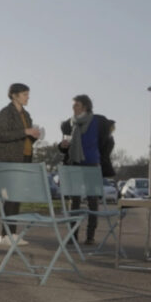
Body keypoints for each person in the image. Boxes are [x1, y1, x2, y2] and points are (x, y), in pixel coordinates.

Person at [58, 94, 116, 245]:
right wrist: (62, 146)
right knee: (74, 201)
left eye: (76, 105)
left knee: (92, 201)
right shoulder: (68, 124)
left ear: (85, 106)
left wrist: (102, 157)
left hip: (92, 165)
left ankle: (90, 236)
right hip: (74, 164)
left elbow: (109, 142)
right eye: (73, 106)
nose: (73, 108)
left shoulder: (98, 122)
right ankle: (73, 236)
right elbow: (65, 146)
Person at [0, 83, 42, 246]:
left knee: (17, 197)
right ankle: (5, 235)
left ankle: (12, 234)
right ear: (14, 95)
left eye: (27, 94)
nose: (27, 97)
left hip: (25, 158)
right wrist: (25, 132)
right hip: (10, 159)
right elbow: (0, 135)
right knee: (10, 197)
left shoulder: (26, 115)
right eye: (24, 94)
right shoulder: (5, 113)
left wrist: (34, 135)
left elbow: (26, 137)